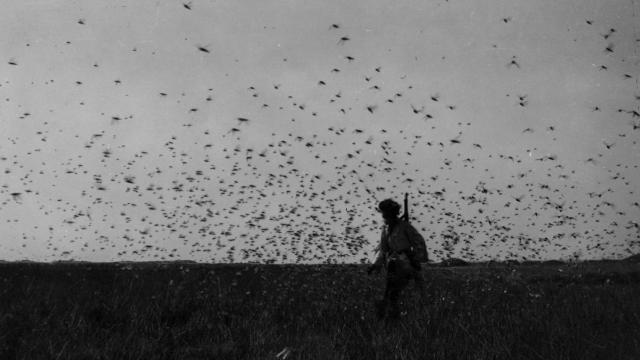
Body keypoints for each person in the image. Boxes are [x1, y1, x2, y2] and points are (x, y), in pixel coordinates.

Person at [367, 198, 425, 320]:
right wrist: (374, 265)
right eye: (383, 213)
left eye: (385, 213)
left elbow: (418, 242)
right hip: (392, 264)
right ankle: (392, 316)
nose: (383, 216)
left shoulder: (405, 227)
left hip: (406, 263)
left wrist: (417, 259)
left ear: (392, 213)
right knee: (392, 293)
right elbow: (382, 249)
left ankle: (395, 316)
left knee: (398, 293)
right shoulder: (385, 230)